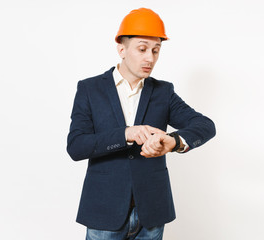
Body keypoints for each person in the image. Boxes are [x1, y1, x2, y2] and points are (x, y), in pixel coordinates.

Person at [67, 8, 216, 240]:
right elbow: (76, 146)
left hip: (152, 213)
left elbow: (205, 125)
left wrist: (173, 142)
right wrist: (126, 133)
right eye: (142, 49)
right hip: (104, 212)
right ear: (122, 49)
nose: (150, 58)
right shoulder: (90, 89)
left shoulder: (163, 92)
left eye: (156, 51)